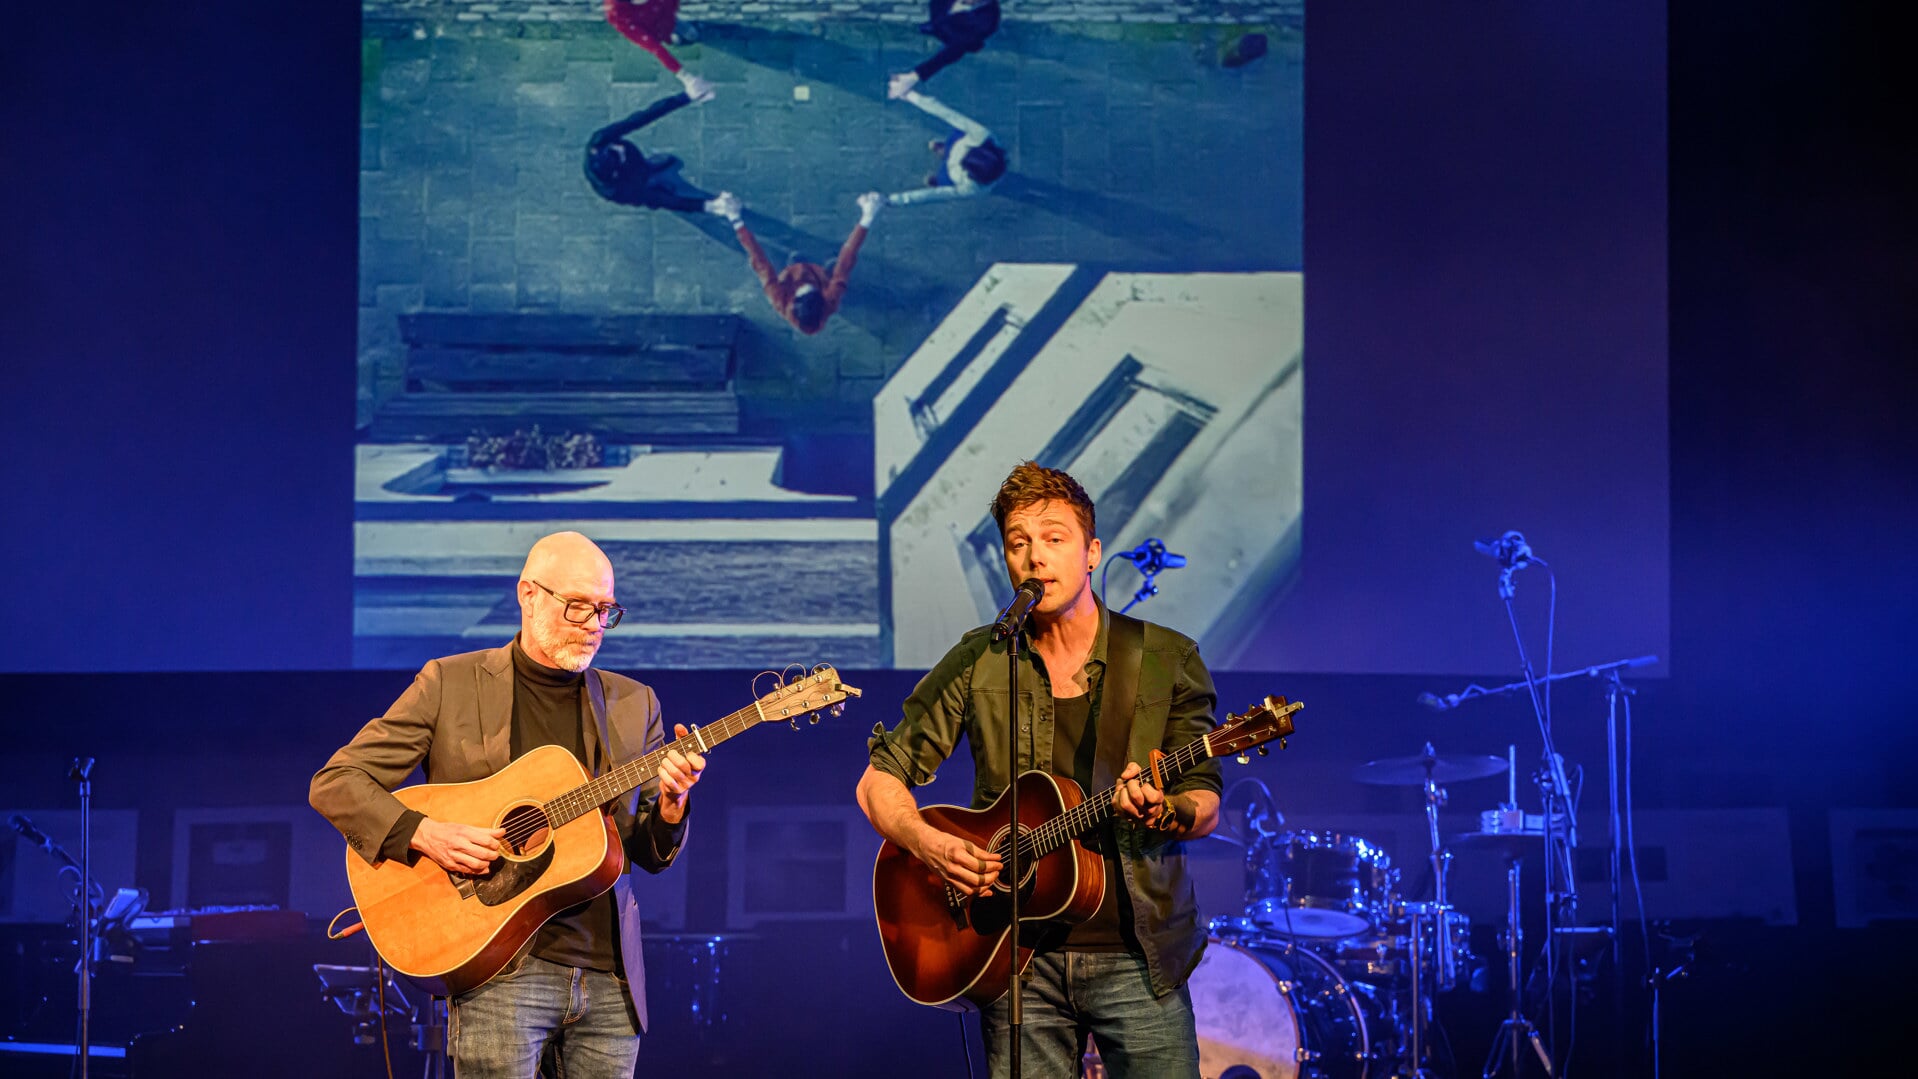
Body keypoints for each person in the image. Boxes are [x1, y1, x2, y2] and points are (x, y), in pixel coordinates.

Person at [856, 462, 1221, 1078]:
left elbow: (1205, 801)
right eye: (1018, 543)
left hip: (1138, 955)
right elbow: (879, 778)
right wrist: (927, 841)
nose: (1034, 558)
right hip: (1014, 955)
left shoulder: (1166, 658)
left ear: (1092, 552)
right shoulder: (982, 657)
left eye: (1054, 538)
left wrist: (1168, 808)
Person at [310, 531, 706, 1079]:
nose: (593, 625)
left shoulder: (634, 703)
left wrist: (671, 802)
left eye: (605, 611)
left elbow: (644, 851)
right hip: (499, 971)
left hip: (609, 978)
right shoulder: (449, 683)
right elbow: (337, 781)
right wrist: (423, 832)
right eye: (577, 607)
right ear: (528, 595)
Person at [710, 191, 883, 335]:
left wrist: (735, 219)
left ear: (793, 302)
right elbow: (846, 261)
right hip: (817, 273)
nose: (804, 286)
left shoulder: (779, 299)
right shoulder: (830, 300)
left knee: (773, 256)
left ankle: (795, 262)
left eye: (802, 291)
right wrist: (867, 217)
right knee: (836, 268)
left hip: (789, 271)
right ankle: (817, 266)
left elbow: (759, 261)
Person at [585, 87, 733, 215]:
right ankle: (648, 180)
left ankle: (647, 168)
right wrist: (710, 206)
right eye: (619, 154)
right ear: (616, 170)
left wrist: (685, 97)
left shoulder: (599, 140)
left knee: (643, 169)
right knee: (656, 198)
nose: (620, 147)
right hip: (631, 181)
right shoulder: (617, 191)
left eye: (614, 147)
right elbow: (667, 201)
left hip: (632, 166)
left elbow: (641, 118)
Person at [887, 89, 1007, 206]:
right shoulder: (982, 135)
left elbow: (935, 195)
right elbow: (948, 114)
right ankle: (947, 150)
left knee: (944, 183)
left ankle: (940, 176)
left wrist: (894, 200)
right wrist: (911, 95)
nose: (963, 158)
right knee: (959, 126)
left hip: (952, 172)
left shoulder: (972, 189)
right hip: (958, 142)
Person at [888, 0, 1002, 99]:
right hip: (942, 24)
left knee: (960, 45)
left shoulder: (987, 19)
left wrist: (915, 76)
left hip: (960, 35)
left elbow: (954, 50)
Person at [603, 0, 702, 81]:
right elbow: (653, 47)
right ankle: (674, 39)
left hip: (665, 19)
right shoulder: (617, 13)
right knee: (688, 35)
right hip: (653, 30)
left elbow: (671, 7)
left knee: (691, 34)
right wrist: (684, 76)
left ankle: (677, 37)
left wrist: (668, 23)